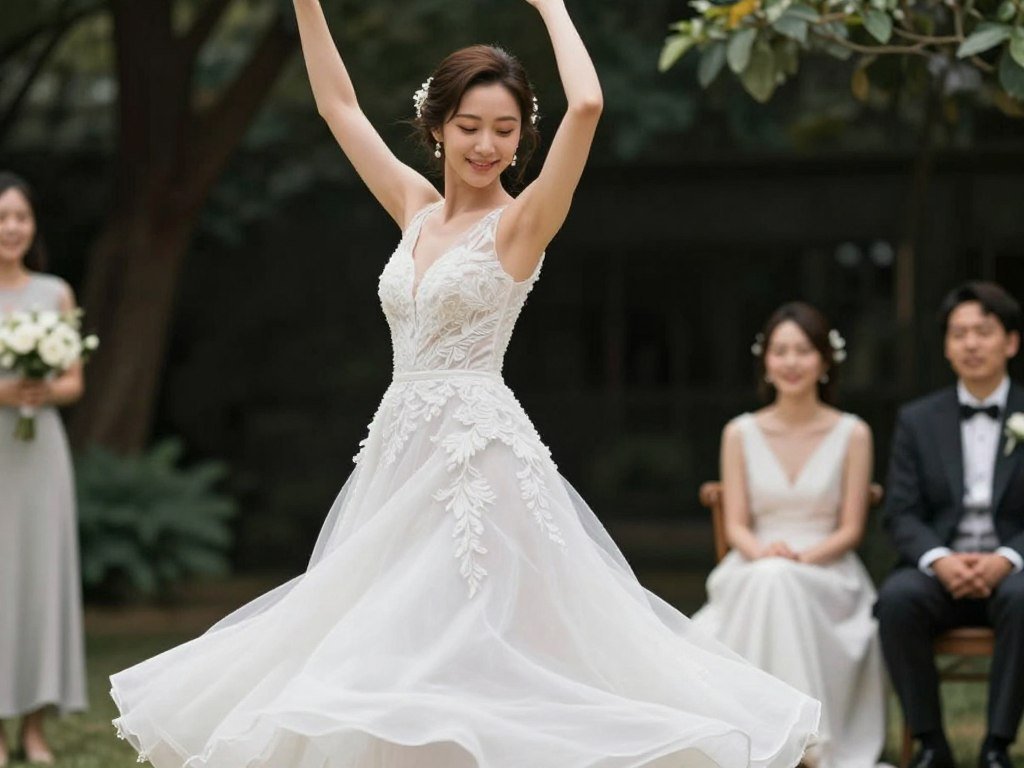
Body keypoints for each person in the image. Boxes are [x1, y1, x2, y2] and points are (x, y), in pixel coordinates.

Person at [109, 2, 820, 766]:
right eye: (472, 125)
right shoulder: (414, 208)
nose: (488, 145)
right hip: (396, 455)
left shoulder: (521, 226)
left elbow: (587, 104)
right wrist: (307, 6)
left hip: (476, 460)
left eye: (506, 130)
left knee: (478, 643)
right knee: (387, 640)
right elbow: (336, 105)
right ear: (438, 124)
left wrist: (549, 5)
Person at [692, 302, 886, 768]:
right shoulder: (739, 432)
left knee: (780, 581)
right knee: (770, 581)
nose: (792, 362)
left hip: (828, 570)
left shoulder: (853, 433)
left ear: (823, 361)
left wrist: (801, 558)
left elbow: (851, 529)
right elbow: (736, 523)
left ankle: (796, 741)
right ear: (766, 362)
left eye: (803, 350)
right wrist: (764, 552)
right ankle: (786, 740)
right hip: (753, 562)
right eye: (781, 351)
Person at [875, 281, 1024, 768]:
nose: (971, 344)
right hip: (941, 572)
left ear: (1011, 341)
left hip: (1013, 572)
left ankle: (997, 745)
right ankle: (931, 743)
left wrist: (1007, 559)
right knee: (896, 599)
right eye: (959, 333)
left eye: (983, 331)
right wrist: (940, 560)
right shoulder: (918, 420)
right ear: (946, 346)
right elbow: (900, 511)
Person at [0, 172, 88, 767]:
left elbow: (75, 381)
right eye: (2, 217)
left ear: (34, 227)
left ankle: (34, 729)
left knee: (38, 579)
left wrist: (40, 392)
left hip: (40, 451)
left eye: (21, 218)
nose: (12, 228)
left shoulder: (55, 292)